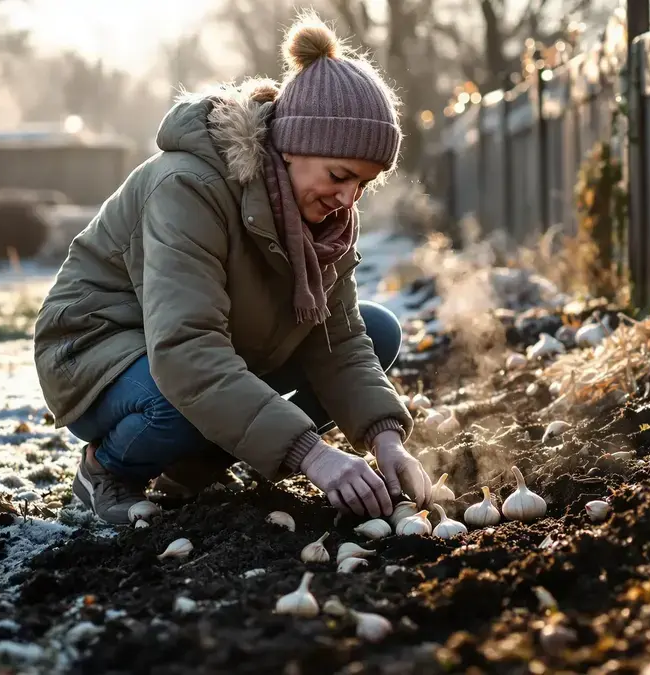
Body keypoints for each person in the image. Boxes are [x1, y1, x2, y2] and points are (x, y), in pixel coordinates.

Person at [32, 15, 433, 525]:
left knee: (377, 331)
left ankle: (192, 468)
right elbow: (185, 353)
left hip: (194, 345)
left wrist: (386, 440)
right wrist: (313, 454)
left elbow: (342, 341)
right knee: (182, 396)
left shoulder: (321, 218)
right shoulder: (189, 186)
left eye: (363, 185)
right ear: (291, 144)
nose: (347, 199)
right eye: (339, 175)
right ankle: (105, 471)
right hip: (96, 347)